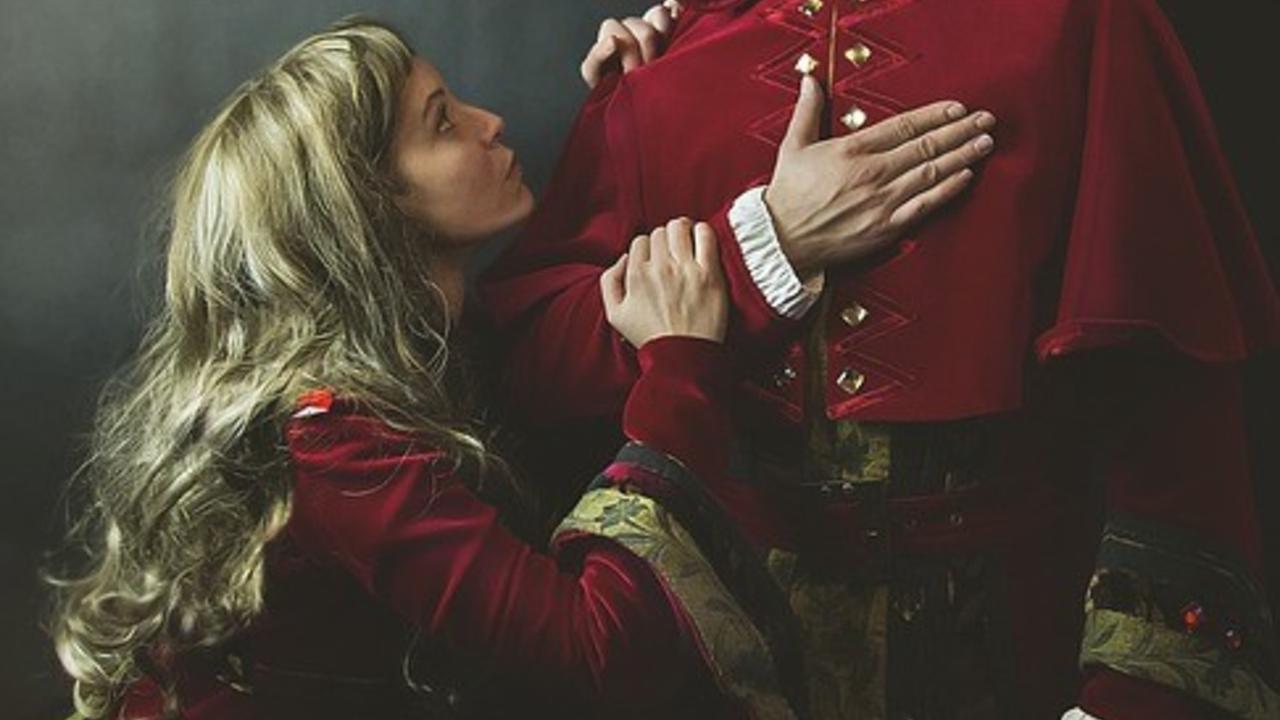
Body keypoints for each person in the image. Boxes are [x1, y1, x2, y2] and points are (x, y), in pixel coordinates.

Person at [480, 1, 1280, 719]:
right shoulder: (661, 64)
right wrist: (765, 248)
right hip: (727, 666)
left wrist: (1133, 701)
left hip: (1024, 651)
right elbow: (532, 368)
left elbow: (1175, 415)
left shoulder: (1083, 21)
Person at [47, 16, 815, 720]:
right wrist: (681, 366)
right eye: (443, 123)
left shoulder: (437, 346)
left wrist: (628, 104)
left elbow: (550, 337)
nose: (491, 122)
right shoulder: (333, 444)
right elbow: (601, 651)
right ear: (366, 207)